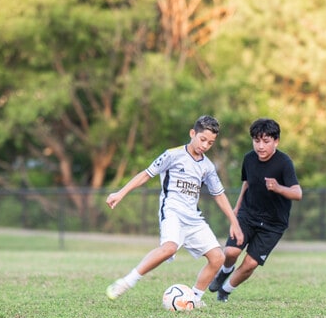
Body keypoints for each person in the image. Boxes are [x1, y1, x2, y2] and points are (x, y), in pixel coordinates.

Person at [105, 115, 243, 307]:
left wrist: (234, 222)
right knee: (169, 247)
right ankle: (127, 282)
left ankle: (194, 299)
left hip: (193, 218)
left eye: (210, 143)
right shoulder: (172, 155)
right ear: (192, 133)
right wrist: (120, 193)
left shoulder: (207, 167)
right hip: (172, 212)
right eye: (202, 139)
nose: (205, 145)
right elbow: (146, 174)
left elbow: (219, 194)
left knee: (218, 257)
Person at [208, 117, 302, 302]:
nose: (260, 146)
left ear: (276, 141)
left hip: (273, 223)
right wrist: (237, 206)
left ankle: (225, 290)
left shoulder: (284, 162)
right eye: (256, 141)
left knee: (250, 264)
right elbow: (247, 183)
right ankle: (224, 271)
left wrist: (278, 188)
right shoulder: (249, 159)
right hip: (248, 214)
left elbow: (297, 193)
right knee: (231, 252)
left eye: (266, 141)